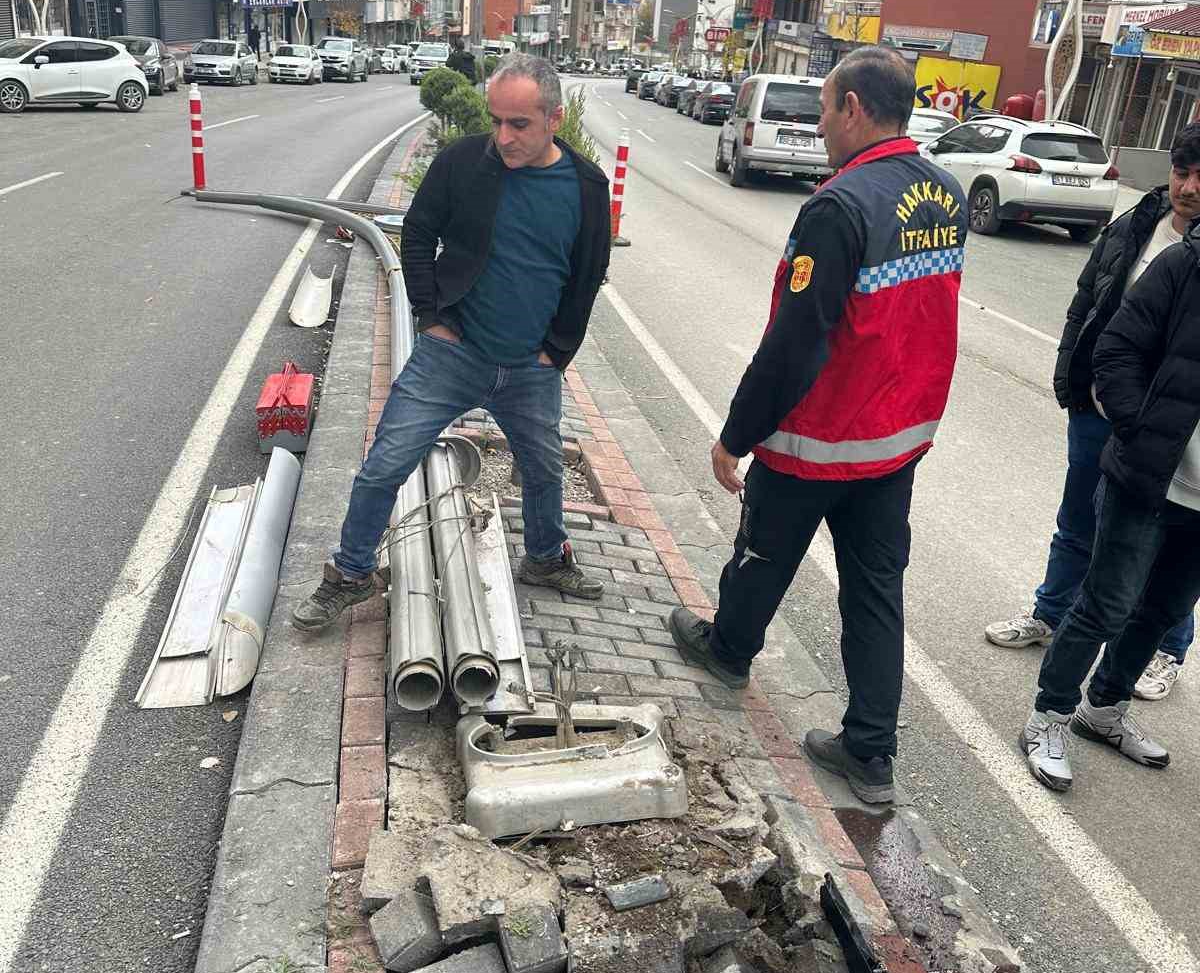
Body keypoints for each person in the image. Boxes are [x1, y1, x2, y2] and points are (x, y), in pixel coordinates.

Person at [669, 46, 968, 804]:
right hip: (896, 441)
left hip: (823, 436)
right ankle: (870, 752)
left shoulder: (841, 206)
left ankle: (729, 651)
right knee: (875, 593)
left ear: (854, 109)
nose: (821, 124)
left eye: (826, 107)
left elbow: (798, 340)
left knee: (763, 551)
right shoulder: (945, 193)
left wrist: (736, 435)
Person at [292, 55, 611, 631]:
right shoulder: (464, 162)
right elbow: (417, 234)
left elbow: (589, 273)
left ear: (555, 119)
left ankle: (544, 559)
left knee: (542, 469)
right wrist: (431, 314)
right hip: (453, 353)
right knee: (384, 464)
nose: (504, 137)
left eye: (520, 125)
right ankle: (352, 573)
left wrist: (556, 351)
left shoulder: (585, 186)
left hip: (530, 367)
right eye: (497, 121)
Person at [986, 130, 1200, 700]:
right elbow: (1089, 302)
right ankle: (1049, 613)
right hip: (1103, 411)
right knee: (1077, 521)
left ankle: (1164, 651)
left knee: (1165, 553)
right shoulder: (1137, 224)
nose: (1189, 187)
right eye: (1182, 171)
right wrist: (1071, 378)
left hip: (1170, 440)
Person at [1020, 216, 1200, 792]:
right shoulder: (1184, 264)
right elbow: (1116, 346)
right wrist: (1135, 428)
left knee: (1162, 611)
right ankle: (1047, 717)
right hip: (1149, 478)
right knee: (1106, 605)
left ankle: (1103, 709)